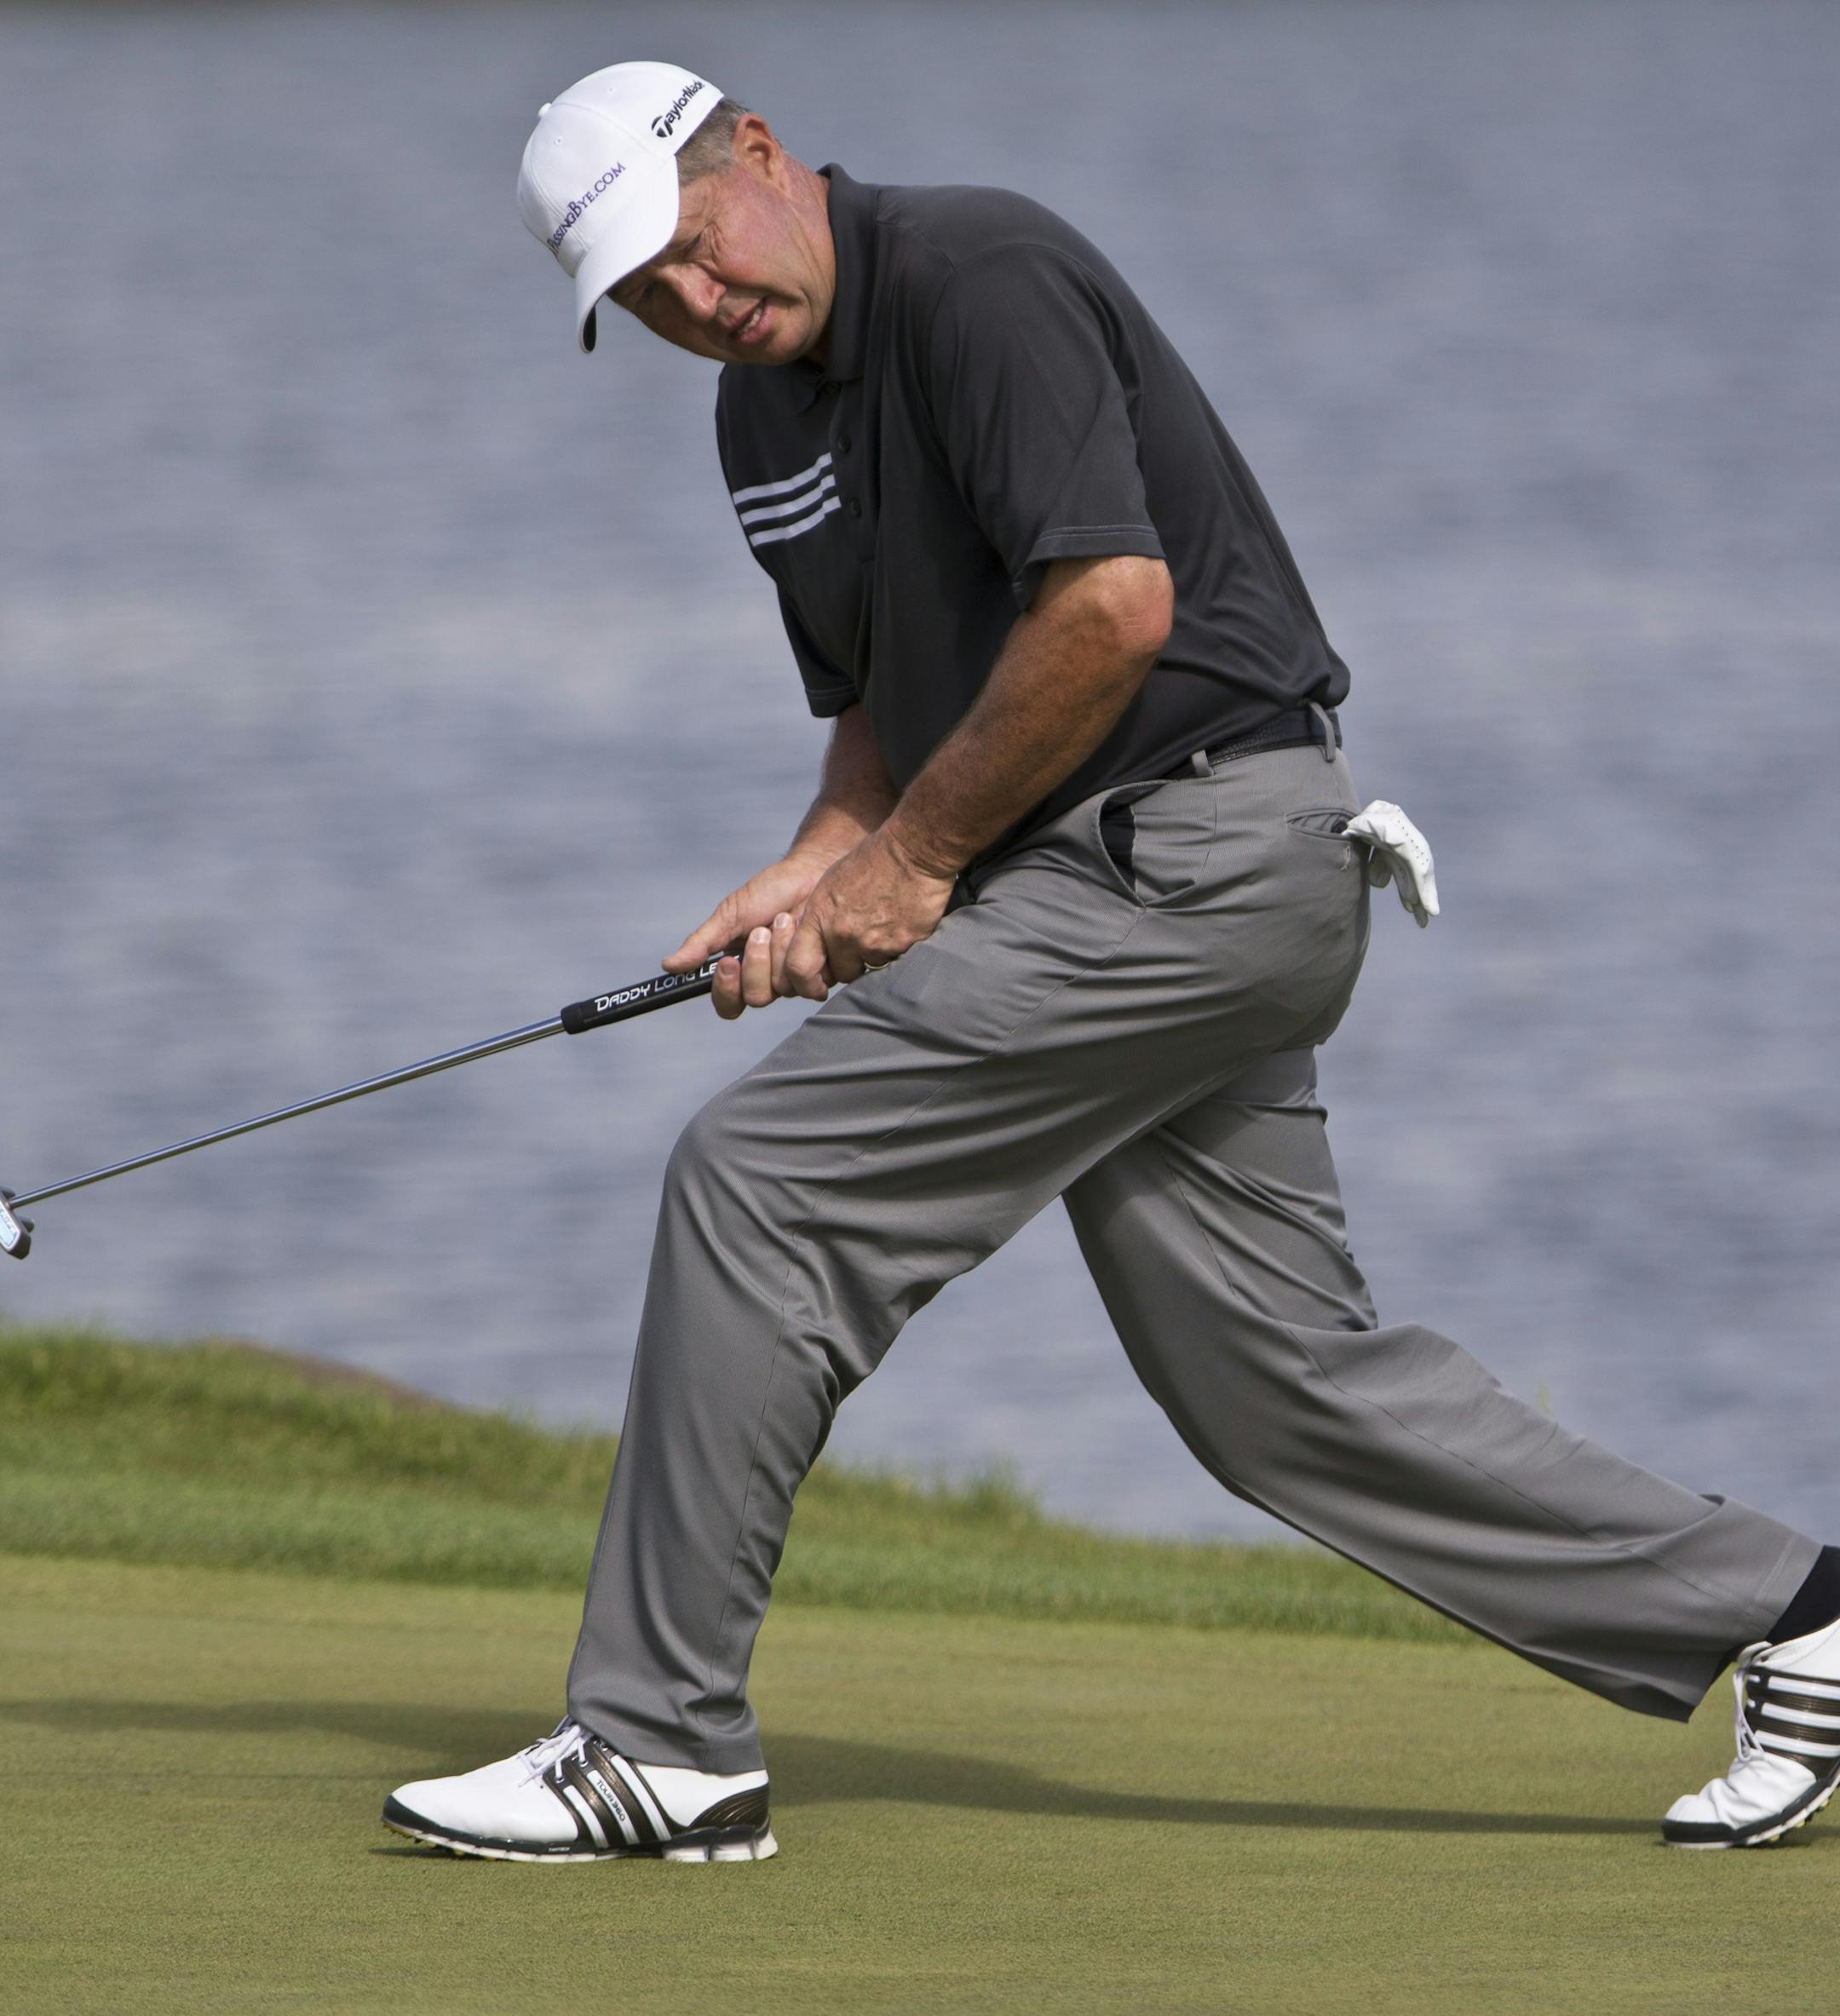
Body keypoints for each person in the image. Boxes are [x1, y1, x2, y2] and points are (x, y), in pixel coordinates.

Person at [382, 60, 1840, 1864]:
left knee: (760, 1185)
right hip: (1122, 896)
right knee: (1274, 1387)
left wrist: (912, 866)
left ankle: (660, 1740)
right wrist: (813, 870)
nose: (698, 304)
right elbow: (884, 721)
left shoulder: (980, 278)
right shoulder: (760, 422)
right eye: (645, 300)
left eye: (691, 249)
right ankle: (1802, 1615)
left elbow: (1109, 608)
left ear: (756, 154)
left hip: (1200, 852)